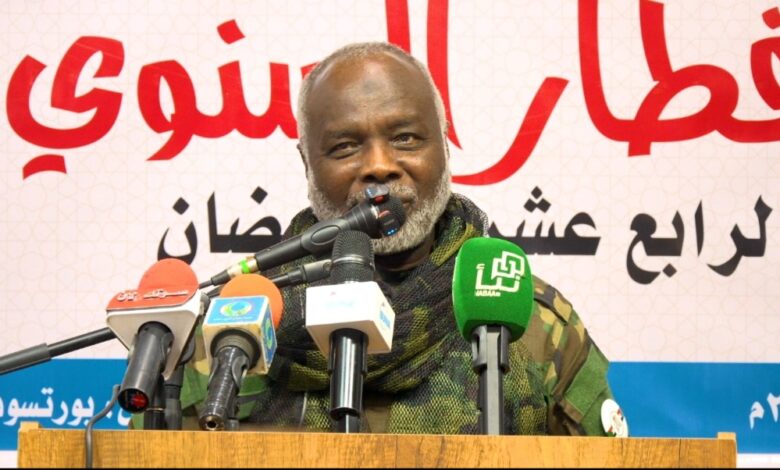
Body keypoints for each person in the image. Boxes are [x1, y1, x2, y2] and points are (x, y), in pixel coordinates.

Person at [177, 41, 622, 436]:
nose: (379, 165)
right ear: (307, 163)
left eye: (406, 138)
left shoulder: (527, 322)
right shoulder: (234, 328)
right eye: (345, 146)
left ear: (444, 146)